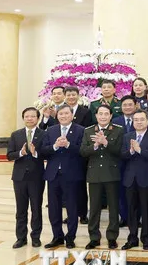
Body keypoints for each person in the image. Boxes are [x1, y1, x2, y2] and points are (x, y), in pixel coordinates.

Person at [80, 104, 124, 249]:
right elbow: (83, 152)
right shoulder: (88, 131)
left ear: (111, 116)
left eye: (106, 114)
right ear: (96, 115)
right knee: (94, 208)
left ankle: (112, 237)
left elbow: (119, 151)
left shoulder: (118, 130)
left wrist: (105, 143)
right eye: (100, 114)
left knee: (113, 208)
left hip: (112, 174)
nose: (103, 116)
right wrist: (95, 145)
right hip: (94, 174)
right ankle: (94, 237)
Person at [41, 105, 85, 249]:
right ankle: (57, 236)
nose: (63, 116)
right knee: (54, 207)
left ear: (72, 115)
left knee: (72, 207)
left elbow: (83, 151)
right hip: (53, 174)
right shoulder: (51, 130)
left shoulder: (81, 130)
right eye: (61, 114)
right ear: (57, 116)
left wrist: (68, 145)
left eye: (66, 113)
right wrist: (54, 146)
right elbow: (43, 150)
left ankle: (70, 237)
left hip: (72, 175)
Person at [121, 109, 148, 251]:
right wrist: (131, 151)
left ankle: (146, 239)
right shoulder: (127, 136)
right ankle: (132, 238)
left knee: (147, 210)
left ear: (147, 121)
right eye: (136, 120)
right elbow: (122, 155)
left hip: (147, 178)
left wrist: (140, 150)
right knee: (131, 210)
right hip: (130, 179)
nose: (138, 122)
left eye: (142, 119)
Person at [7, 107, 45, 249]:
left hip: (37, 177)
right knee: (21, 209)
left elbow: (47, 153)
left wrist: (35, 153)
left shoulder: (43, 134)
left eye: (33, 116)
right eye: (27, 116)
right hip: (19, 177)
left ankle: (36, 237)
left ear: (38, 118)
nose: (30, 118)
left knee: (36, 208)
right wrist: (21, 153)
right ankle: (21, 238)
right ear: (23, 118)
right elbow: (9, 155)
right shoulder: (16, 135)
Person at [64, 85, 91, 225]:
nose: (71, 97)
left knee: (80, 187)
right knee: (68, 188)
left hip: (80, 154)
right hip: (64, 154)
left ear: (78, 96)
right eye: (68, 95)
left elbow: (87, 131)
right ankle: (71, 214)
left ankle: (82, 214)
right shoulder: (61, 111)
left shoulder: (85, 112)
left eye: (73, 94)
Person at [113, 95, 139, 227]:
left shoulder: (140, 119)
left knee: (137, 192)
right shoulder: (115, 121)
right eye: (125, 105)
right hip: (120, 161)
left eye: (130, 105)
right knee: (121, 191)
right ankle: (124, 217)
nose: (127, 107)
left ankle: (137, 218)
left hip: (138, 161)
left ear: (136, 106)